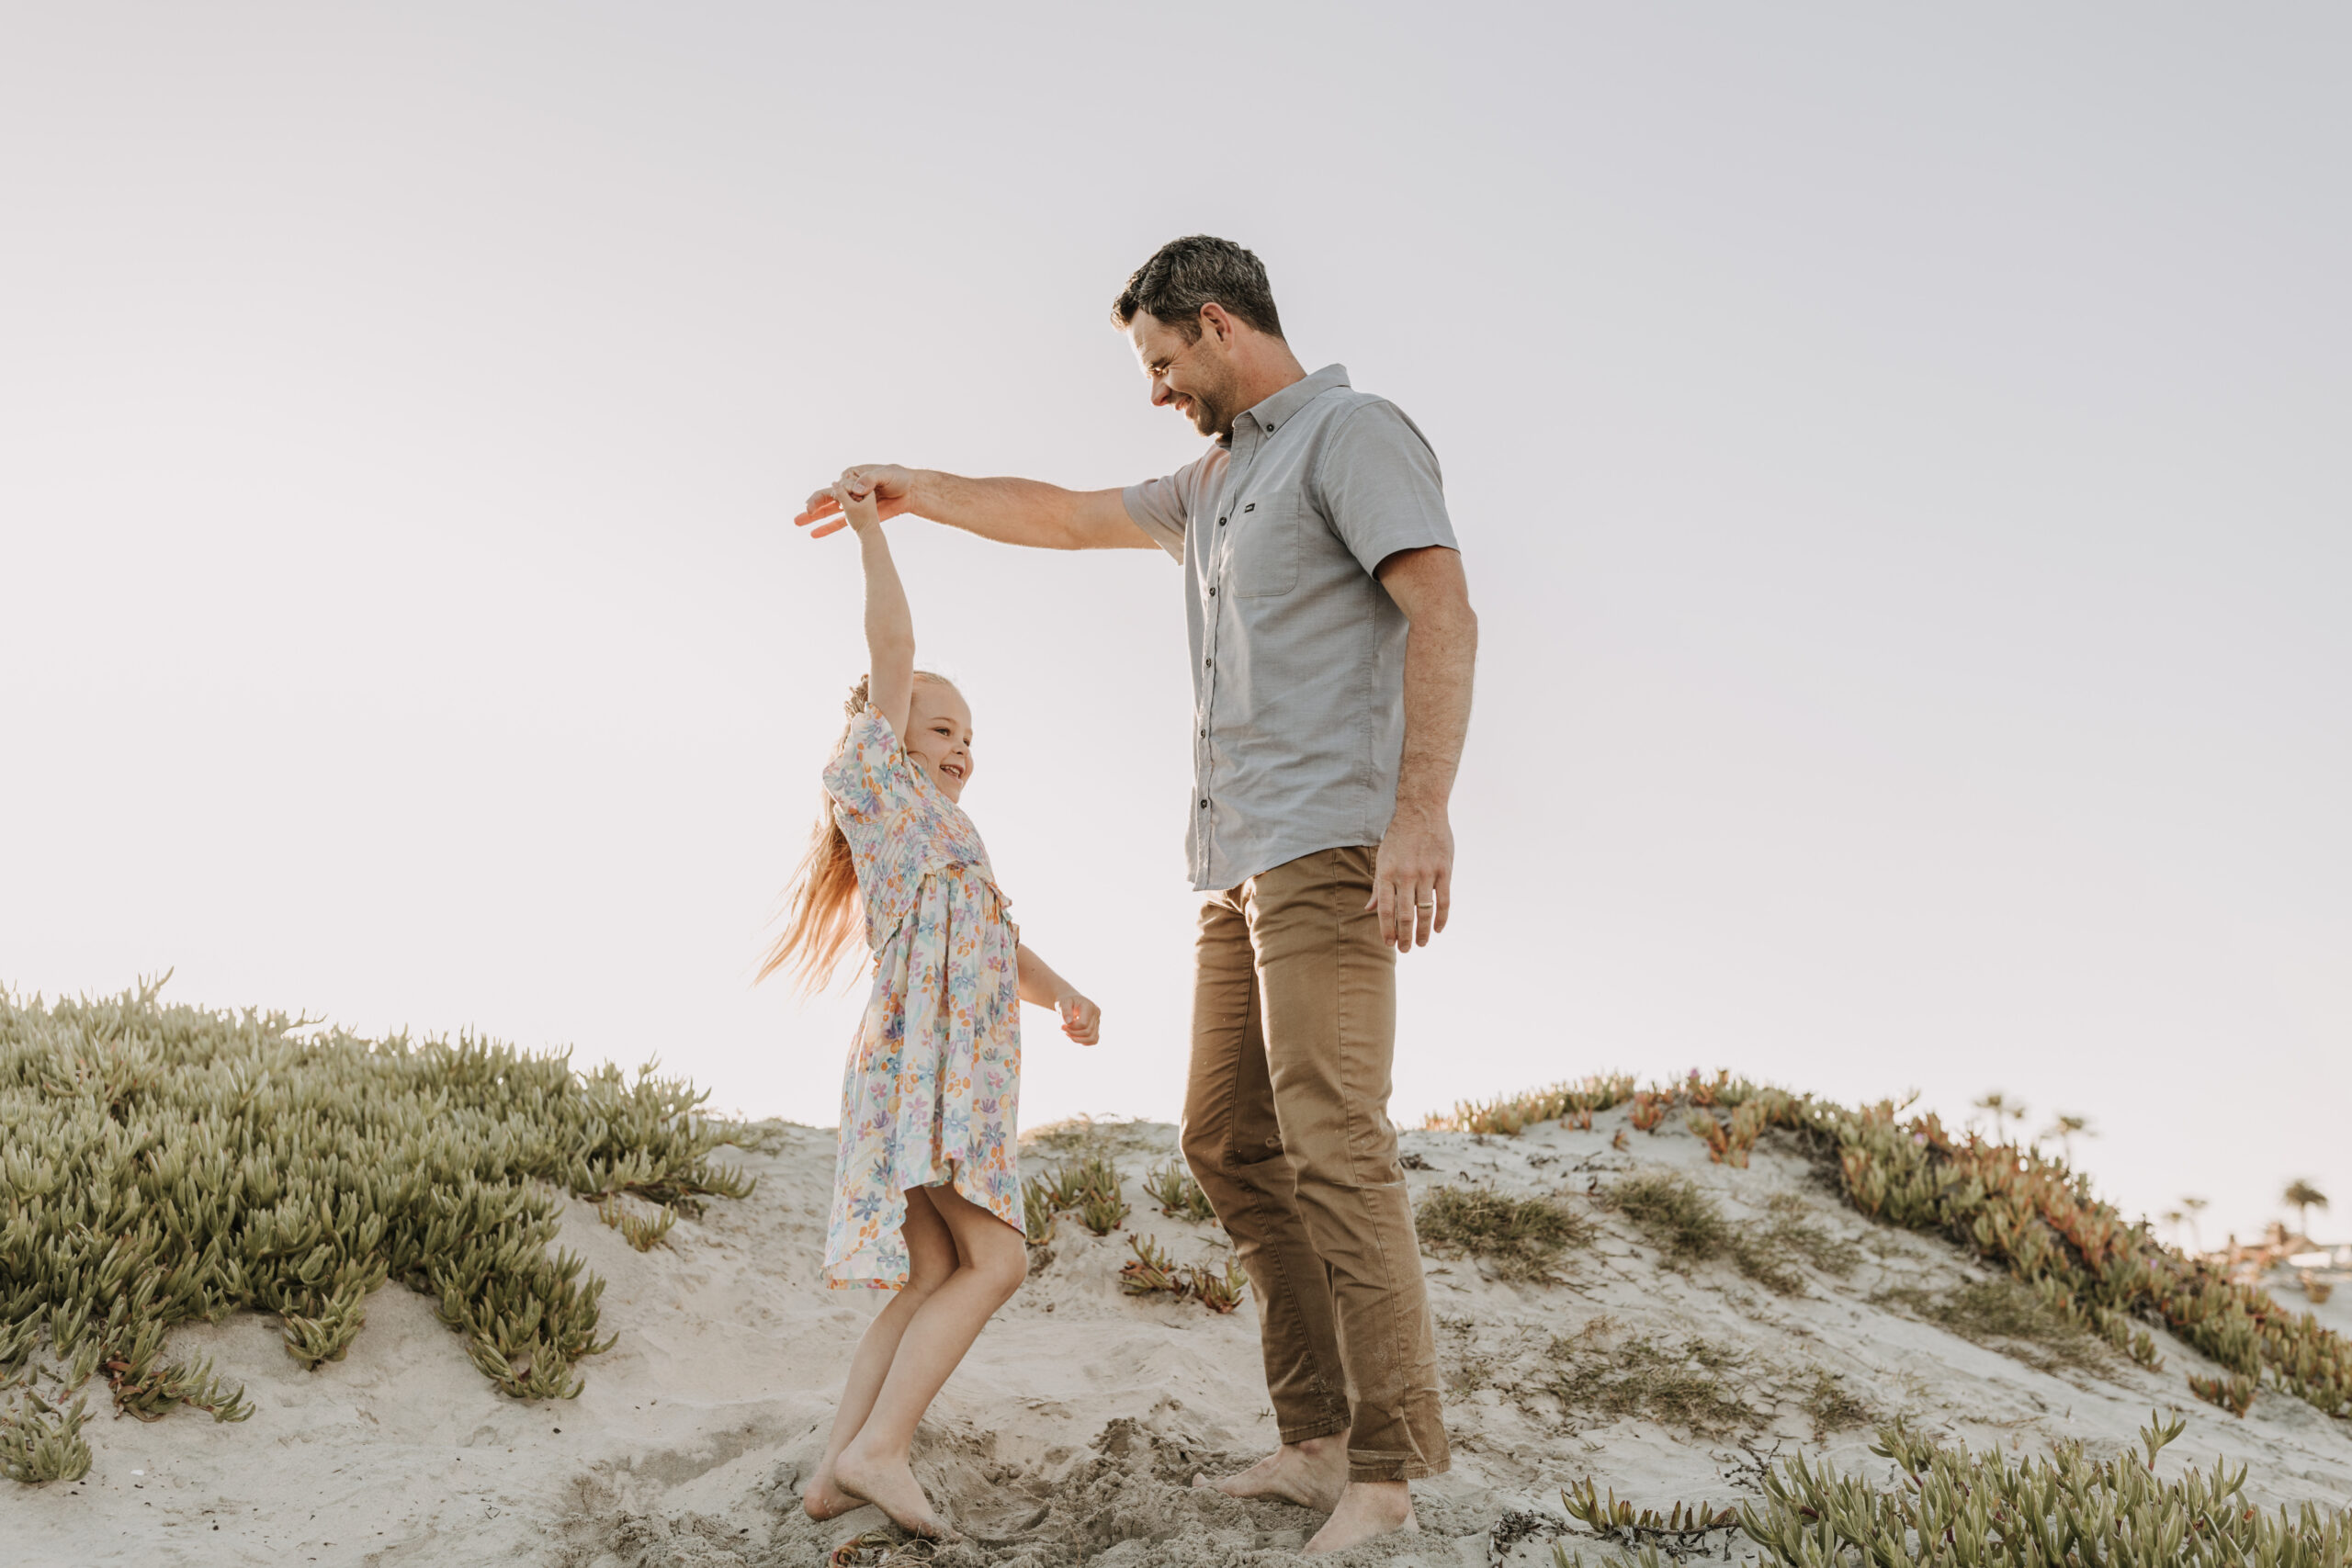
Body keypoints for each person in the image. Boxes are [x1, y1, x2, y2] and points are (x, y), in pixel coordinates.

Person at [795, 235, 1476, 1557]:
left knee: (1336, 1135)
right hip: (1232, 867)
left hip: (1332, 843)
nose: (1157, 390)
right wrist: (914, 489)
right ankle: (1315, 1434)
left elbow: (1443, 609)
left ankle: (1384, 1475)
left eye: (1163, 364)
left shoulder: (1350, 433)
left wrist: (1422, 811)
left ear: (1217, 325)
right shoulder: (1212, 482)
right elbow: (1059, 512)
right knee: (1226, 1139)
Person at [763, 481, 1102, 1539]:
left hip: (946, 1077)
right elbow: (894, 639)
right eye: (940, 724)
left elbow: (997, 944)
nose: (960, 747)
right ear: (888, 726)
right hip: (927, 1076)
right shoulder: (878, 789)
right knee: (996, 1260)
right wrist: (871, 531)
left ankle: (834, 1471)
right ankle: (879, 1449)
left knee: (935, 1270)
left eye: (971, 736)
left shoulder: (954, 841)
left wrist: (1064, 995)